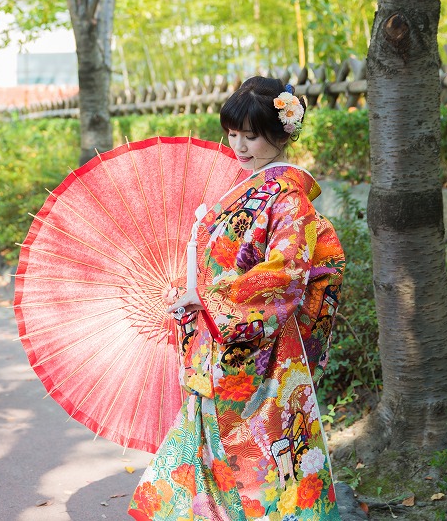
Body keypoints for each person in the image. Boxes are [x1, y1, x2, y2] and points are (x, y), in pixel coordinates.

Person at [129, 76, 345, 520]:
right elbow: (216, 265)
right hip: (220, 343)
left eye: (251, 135)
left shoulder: (288, 200)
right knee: (215, 445)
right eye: (232, 134)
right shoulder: (242, 193)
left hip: (261, 350)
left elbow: (286, 274)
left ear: (283, 132)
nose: (240, 146)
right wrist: (192, 293)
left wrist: (211, 299)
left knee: (262, 453)